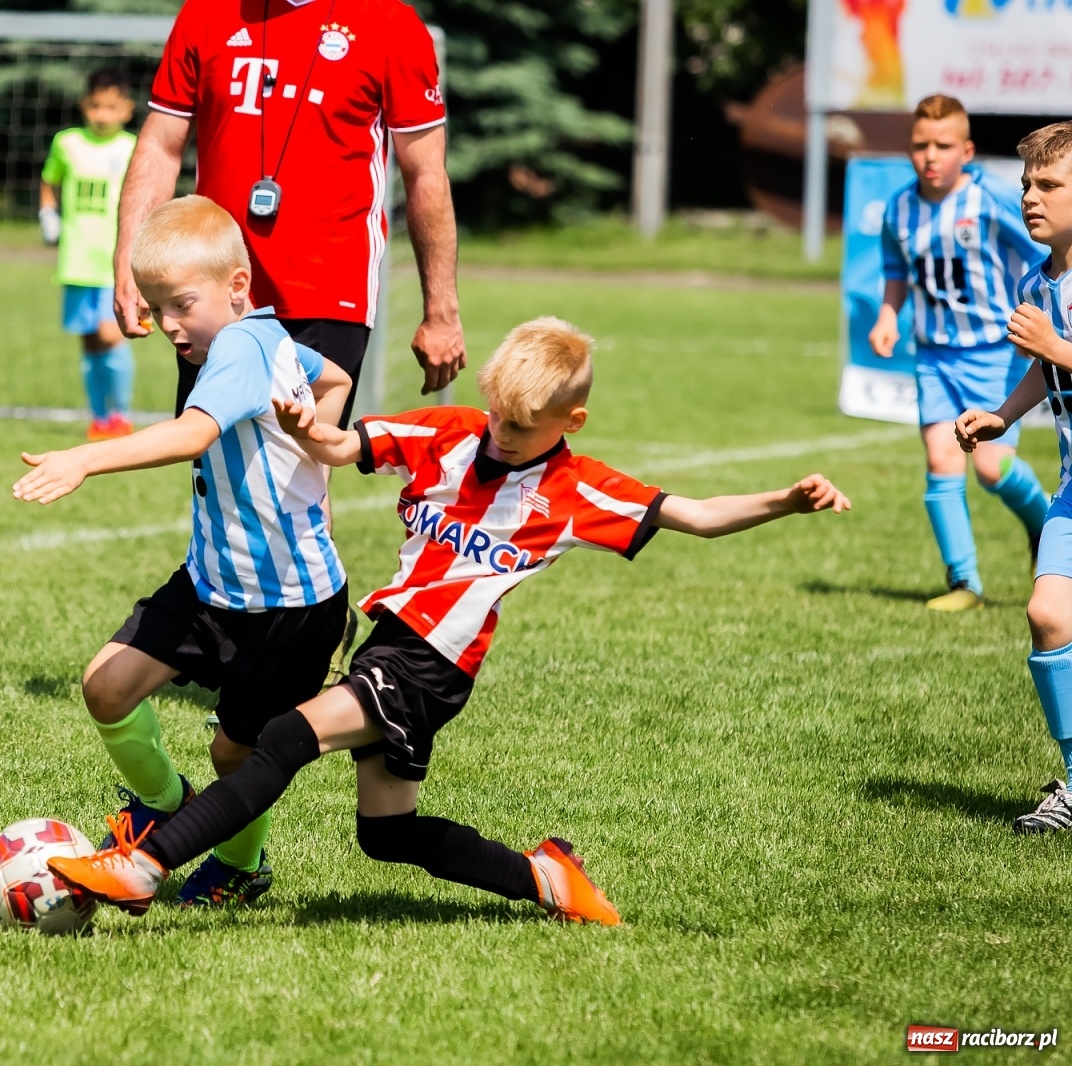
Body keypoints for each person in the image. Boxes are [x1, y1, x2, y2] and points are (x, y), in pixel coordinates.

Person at [48, 317, 852, 923]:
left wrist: (786, 501)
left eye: (521, 426)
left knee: (288, 736)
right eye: (497, 413)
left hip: (429, 667)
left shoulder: (579, 488)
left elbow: (701, 513)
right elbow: (340, 448)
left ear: (569, 423)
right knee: (385, 837)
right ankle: (546, 878)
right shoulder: (452, 433)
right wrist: (308, 432)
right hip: (389, 646)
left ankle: (146, 866)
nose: (500, 434)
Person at [13, 196, 354, 903]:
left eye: (181, 305)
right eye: (158, 306)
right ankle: (164, 806)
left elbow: (192, 434)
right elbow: (336, 379)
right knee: (106, 686)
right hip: (211, 585)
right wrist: (312, 430)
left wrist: (85, 459)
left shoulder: (239, 347)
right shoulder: (267, 338)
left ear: (236, 288)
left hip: (289, 605)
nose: (169, 324)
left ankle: (240, 865)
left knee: (235, 753)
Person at [111, 0, 467, 428]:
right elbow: (160, 146)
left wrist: (441, 312)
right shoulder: (205, 12)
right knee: (214, 464)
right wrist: (129, 258)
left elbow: (426, 174)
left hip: (328, 290)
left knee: (300, 475)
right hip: (213, 288)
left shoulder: (390, 22)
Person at [870, 94, 1050, 612]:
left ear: (966, 151)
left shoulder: (990, 202)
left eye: (943, 145)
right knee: (940, 456)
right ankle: (963, 584)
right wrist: (888, 315)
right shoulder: (898, 207)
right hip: (933, 355)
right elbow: (896, 270)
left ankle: (1044, 526)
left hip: (996, 354)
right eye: (920, 145)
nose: (930, 156)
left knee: (993, 470)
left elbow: (1041, 253)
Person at [956, 121, 1072, 834]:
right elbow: (1045, 366)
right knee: (1047, 614)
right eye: (1027, 184)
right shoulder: (1039, 277)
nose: (1031, 197)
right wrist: (1004, 415)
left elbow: (1053, 350)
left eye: (1050, 185)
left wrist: (1056, 344)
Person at [40, 69, 139, 441]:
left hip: (116, 261)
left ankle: (122, 414)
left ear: (126, 109)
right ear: (85, 105)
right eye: (96, 106)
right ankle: (99, 417)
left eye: (111, 107)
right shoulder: (67, 143)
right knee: (90, 339)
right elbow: (50, 180)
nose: (102, 114)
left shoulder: (132, 148)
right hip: (77, 259)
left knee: (112, 335)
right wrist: (47, 215)